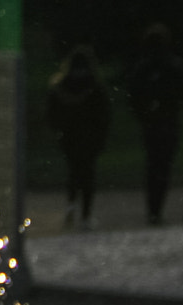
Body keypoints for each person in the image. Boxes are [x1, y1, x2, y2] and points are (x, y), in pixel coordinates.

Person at [124, 24, 183, 227]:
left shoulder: (143, 67)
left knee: (152, 165)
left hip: (151, 123)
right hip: (168, 121)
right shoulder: (173, 66)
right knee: (163, 165)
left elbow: (133, 96)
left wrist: (144, 112)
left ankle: (153, 208)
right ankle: (157, 208)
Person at [46, 45, 110, 229]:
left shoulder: (61, 85)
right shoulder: (95, 86)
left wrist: (58, 129)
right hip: (90, 136)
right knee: (88, 173)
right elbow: (103, 114)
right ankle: (86, 214)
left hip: (69, 136)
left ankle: (71, 204)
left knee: (73, 171)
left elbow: (52, 113)